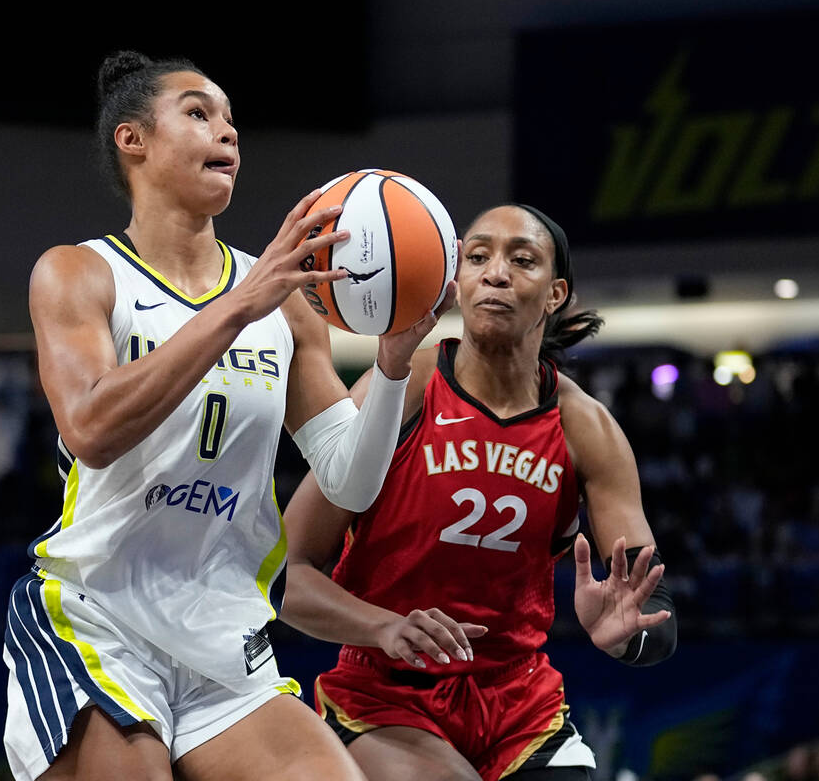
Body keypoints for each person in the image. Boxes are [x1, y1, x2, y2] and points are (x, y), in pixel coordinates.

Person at [0, 50, 452, 781]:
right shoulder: (80, 273)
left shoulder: (285, 301)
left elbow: (349, 481)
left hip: (220, 628)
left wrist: (394, 364)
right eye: (199, 113)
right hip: (97, 619)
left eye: (233, 121)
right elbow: (91, 430)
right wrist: (239, 305)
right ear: (133, 139)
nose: (228, 133)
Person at [280, 203, 677, 780]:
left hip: (519, 702)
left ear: (555, 293)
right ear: (457, 282)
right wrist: (383, 627)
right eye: (478, 256)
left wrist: (624, 636)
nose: (496, 273)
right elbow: (288, 574)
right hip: (387, 694)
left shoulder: (585, 427)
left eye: (523, 260)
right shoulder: (404, 386)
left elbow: (656, 615)